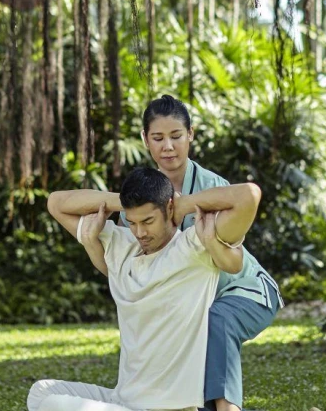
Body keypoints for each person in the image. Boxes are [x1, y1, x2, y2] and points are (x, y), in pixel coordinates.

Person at [28, 168, 262, 411]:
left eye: (148, 221)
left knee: (55, 404)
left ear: (169, 208)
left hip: (166, 408)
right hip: (124, 401)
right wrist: (122, 202)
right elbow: (56, 203)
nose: (140, 232)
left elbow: (248, 196)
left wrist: (184, 204)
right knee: (40, 393)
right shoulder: (120, 245)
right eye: (132, 222)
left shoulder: (194, 248)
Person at [116, 95, 282, 411]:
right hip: (190, 309)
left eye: (176, 136)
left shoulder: (214, 186)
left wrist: (186, 205)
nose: (168, 147)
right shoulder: (138, 198)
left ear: (190, 134)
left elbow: (232, 260)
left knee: (217, 319)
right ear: (145, 140)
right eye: (158, 138)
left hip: (243, 291)